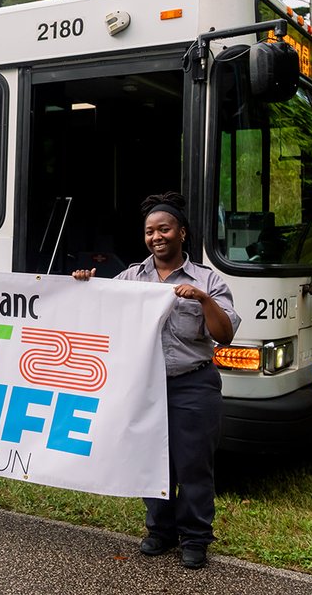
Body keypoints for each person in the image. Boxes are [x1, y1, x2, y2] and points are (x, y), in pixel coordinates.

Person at [73, 192, 238, 570]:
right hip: (146, 388)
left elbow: (224, 334)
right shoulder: (132, 277)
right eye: (150, 231)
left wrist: (202, 300)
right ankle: (160, 531)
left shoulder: (208, 280)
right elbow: (98, 314)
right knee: (153, 461)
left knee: (194, 464)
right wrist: (84, 285)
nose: (156, 236)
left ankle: (195, 538)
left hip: (194, 384)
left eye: (164, 228)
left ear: (182, 232)